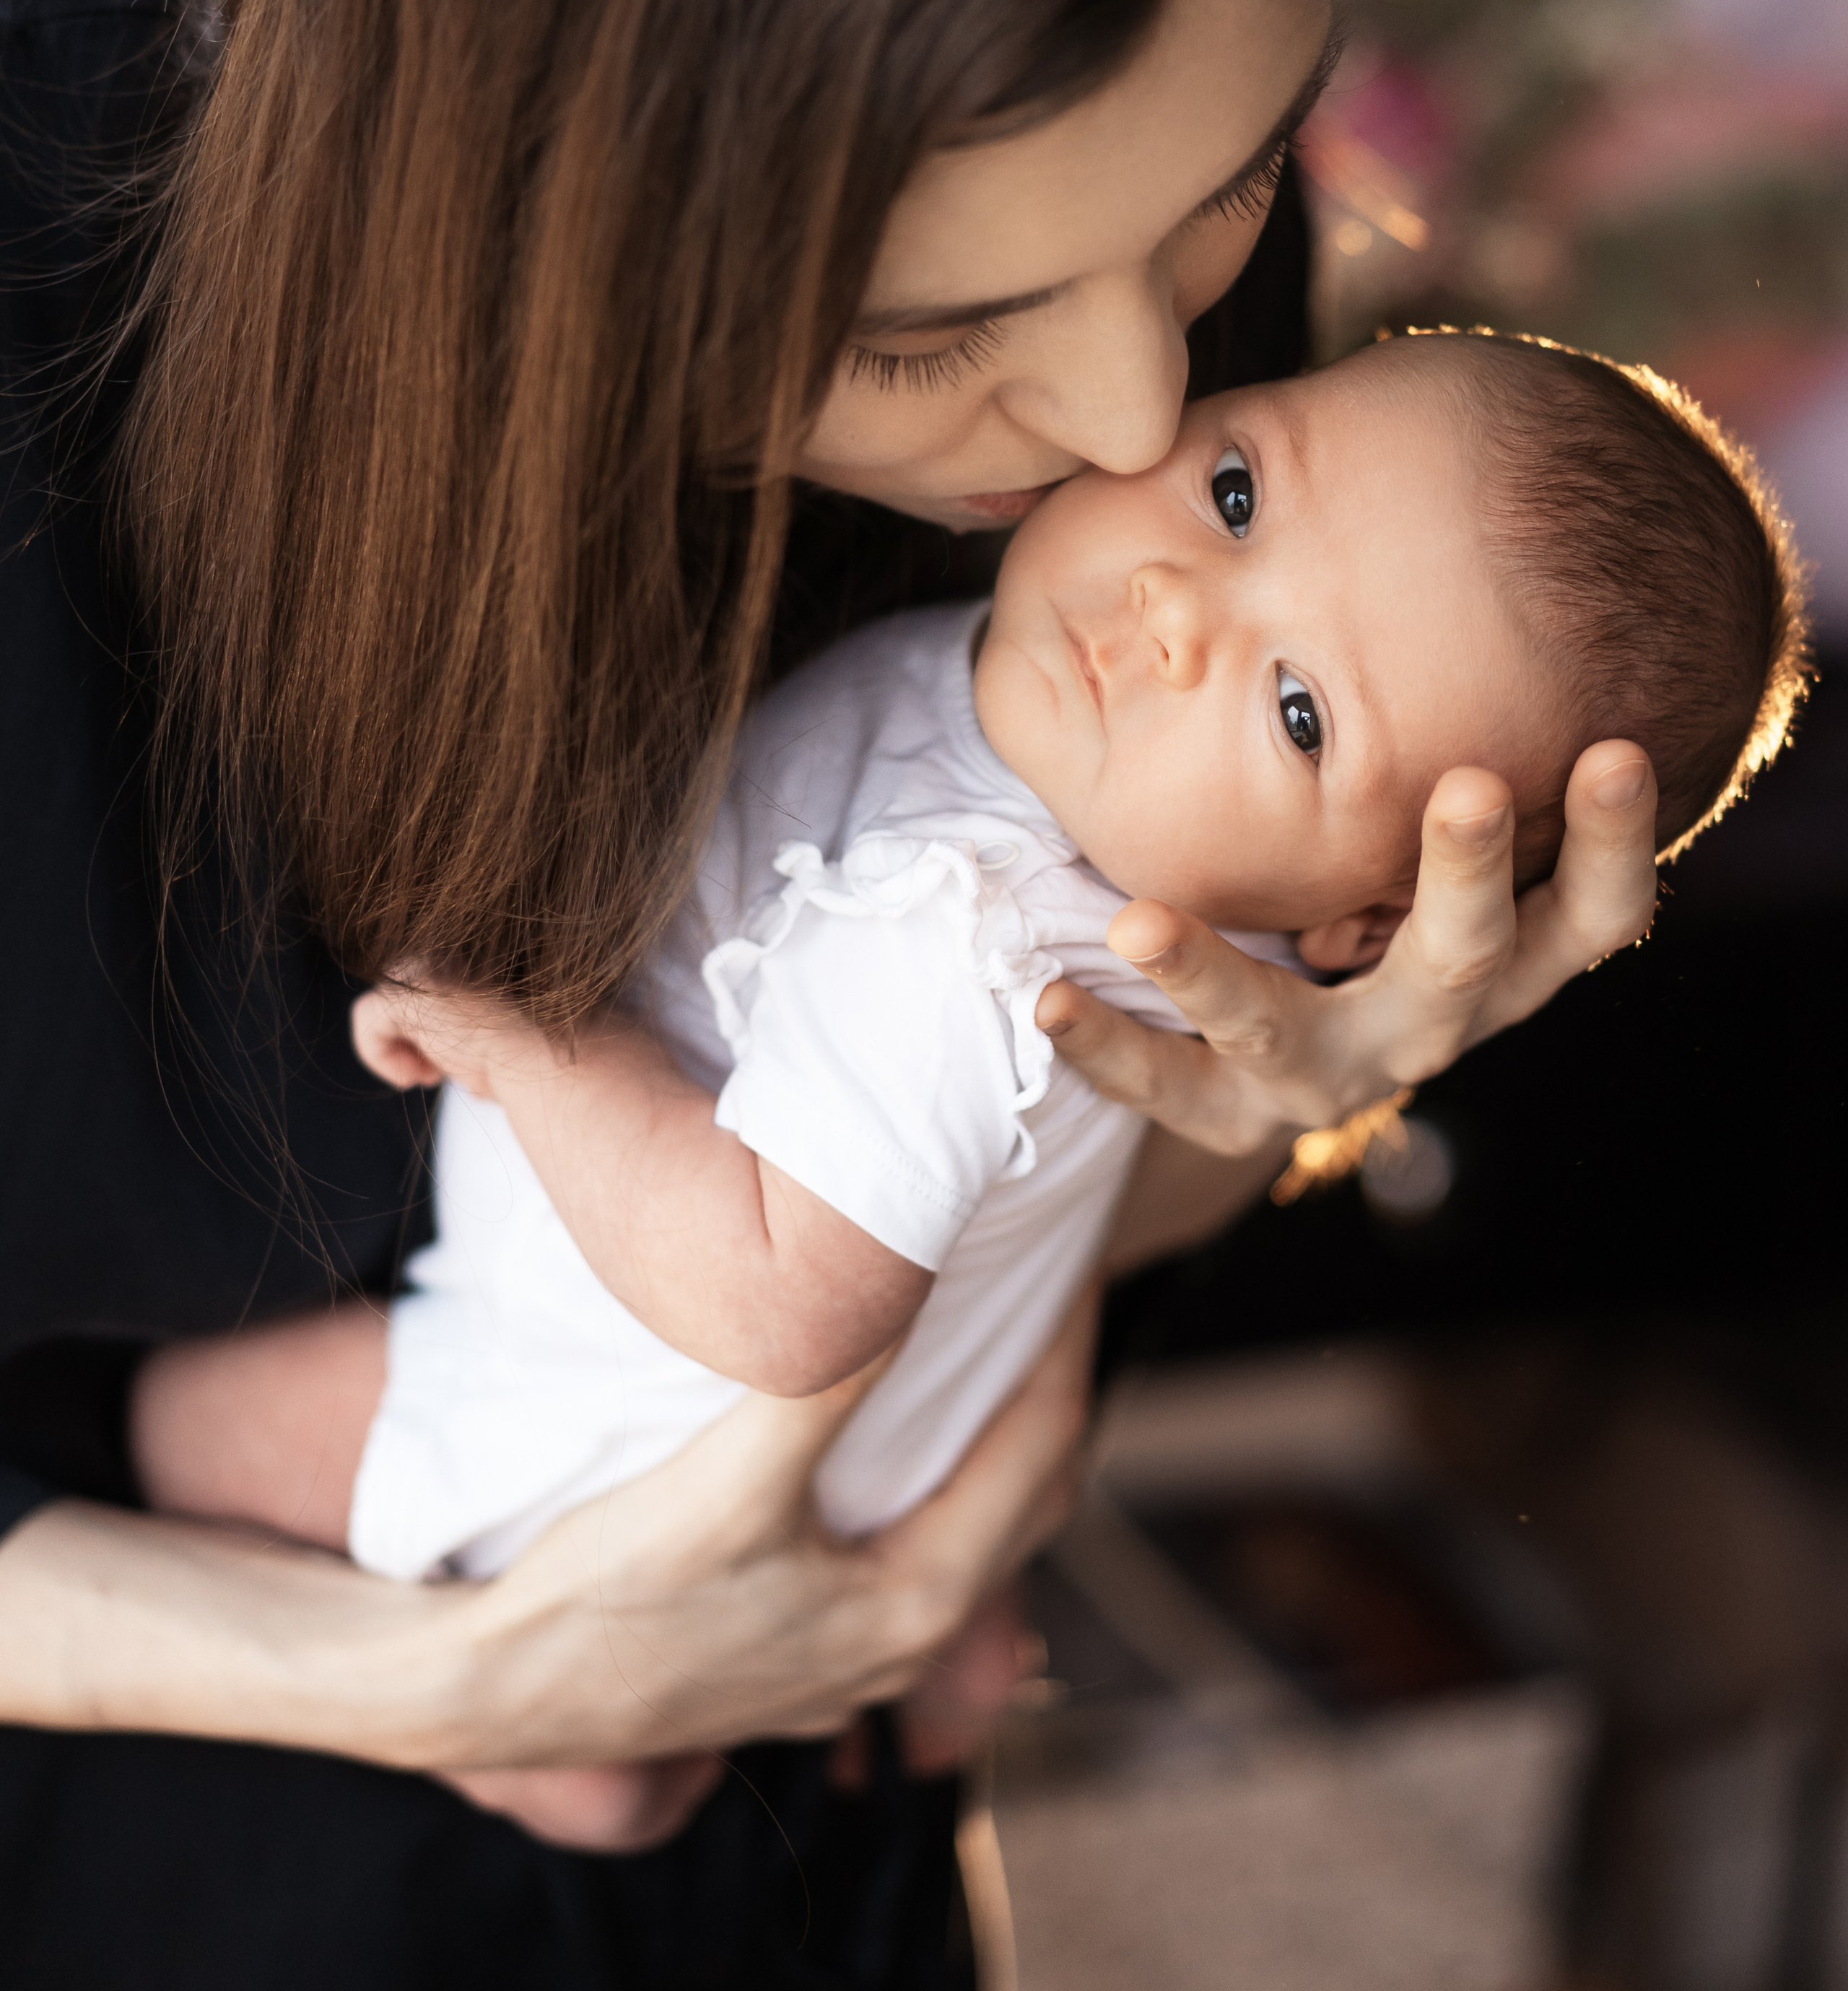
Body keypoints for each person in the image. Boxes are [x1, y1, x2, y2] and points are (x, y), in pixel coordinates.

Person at [0, 0, 1662, 1982]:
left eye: (1229, 192)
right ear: (507, 203)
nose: (1131, 418)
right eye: (927, 334)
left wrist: (1253, 1095)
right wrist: (447, 1678)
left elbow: (982, 1168)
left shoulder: (1115, 255)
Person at [134, 327, 1787, 1849]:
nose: (1172, 610)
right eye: (1234, 496)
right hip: (910, 1436)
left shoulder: (955, 933)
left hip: (610, 1411)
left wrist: (524, 1041)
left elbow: (776, 1297)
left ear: (1364, 926)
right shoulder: (1172, 864)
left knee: (181, 1429)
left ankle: (579, 1754)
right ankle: (894, 1648)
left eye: (1297, 712)